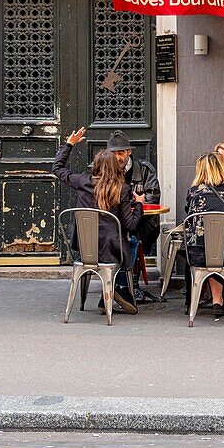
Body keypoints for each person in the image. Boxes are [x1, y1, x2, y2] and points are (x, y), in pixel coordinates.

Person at [53, 127, 145, 314]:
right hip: (111, 252)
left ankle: (109, 293)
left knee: (126, 242)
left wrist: (69, 144)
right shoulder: (122, 189)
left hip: (85, 251)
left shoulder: (81, 181)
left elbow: (57, 168)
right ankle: (119, 289)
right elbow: (130, 224)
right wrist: (140, 205)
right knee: (133, 241)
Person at [185, 152, 224, 317]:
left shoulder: (194, 192)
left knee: (208, 245)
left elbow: (189, 215)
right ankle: (220, 300)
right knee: (221, 245)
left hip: (199, 255)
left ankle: (214, 300)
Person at [106, 130, 161, 300]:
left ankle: (130, 282)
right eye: (113, 154)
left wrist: (131, 204)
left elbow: (153, 195)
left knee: (133, 234)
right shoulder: (102, 170)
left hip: (139, 221)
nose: (117, 158)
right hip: (112, 224)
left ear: (129, 152)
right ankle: (121, 283)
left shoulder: (144, 169)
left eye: (121, 153)